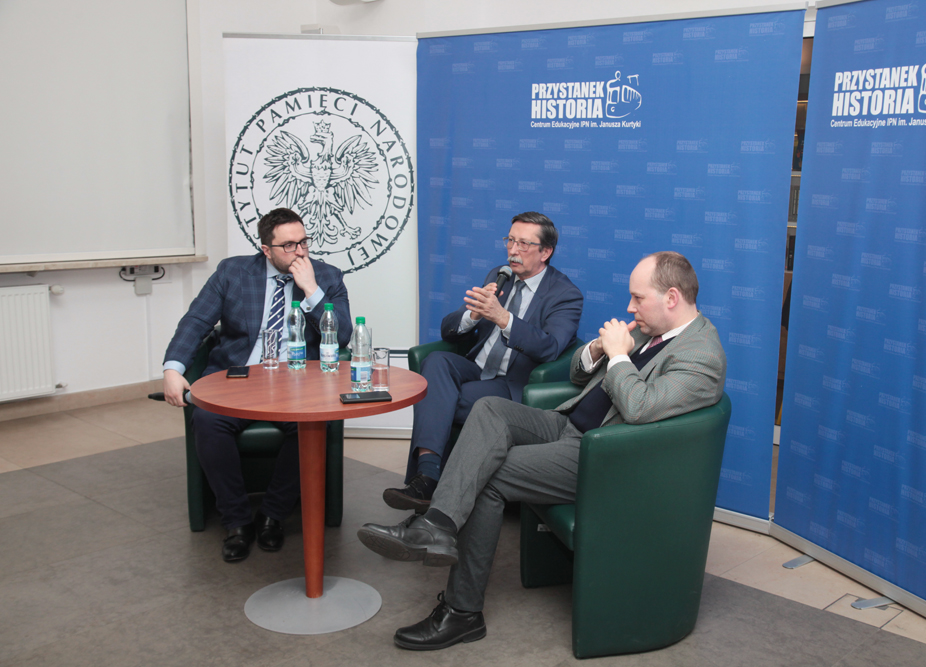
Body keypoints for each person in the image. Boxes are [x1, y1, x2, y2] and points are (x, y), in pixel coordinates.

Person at [358, 251, 726, 650]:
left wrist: (620, 355)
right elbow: (577, 374)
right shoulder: (650, 329)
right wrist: (597, 351)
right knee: (490, 409)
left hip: (604, 459)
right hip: (568, 425)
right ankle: (438, 526)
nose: (629, 307)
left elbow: (639, 407)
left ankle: (461, 612)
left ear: (672, 297)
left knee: (487, 475)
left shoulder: (701, 355)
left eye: (638, 298)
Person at [162, 207, 351, 563]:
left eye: (304, 242)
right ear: (266, 249)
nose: (300, 252)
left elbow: (341, 336)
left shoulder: (326, 275)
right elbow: (197, 320)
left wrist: (311, 289)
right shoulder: (233, 272)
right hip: (240, 378)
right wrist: (173, 367)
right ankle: (237, 522)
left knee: (313, 426)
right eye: (289, 246)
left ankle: (272, 515)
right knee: (207, 420)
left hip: (298, 383)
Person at [382, 211, 583, 512]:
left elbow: (551, 348)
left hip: (511, 382)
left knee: (438, 399)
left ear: (546, 252)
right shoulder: (498, 276)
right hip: (476, 368)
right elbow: (448, 329)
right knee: (435, 361)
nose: (513, 250)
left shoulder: (565, 294)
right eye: (510, 241)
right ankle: (429, 480)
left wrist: (504, 318)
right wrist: (473, 315)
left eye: (524, 244)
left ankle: (427, 481)